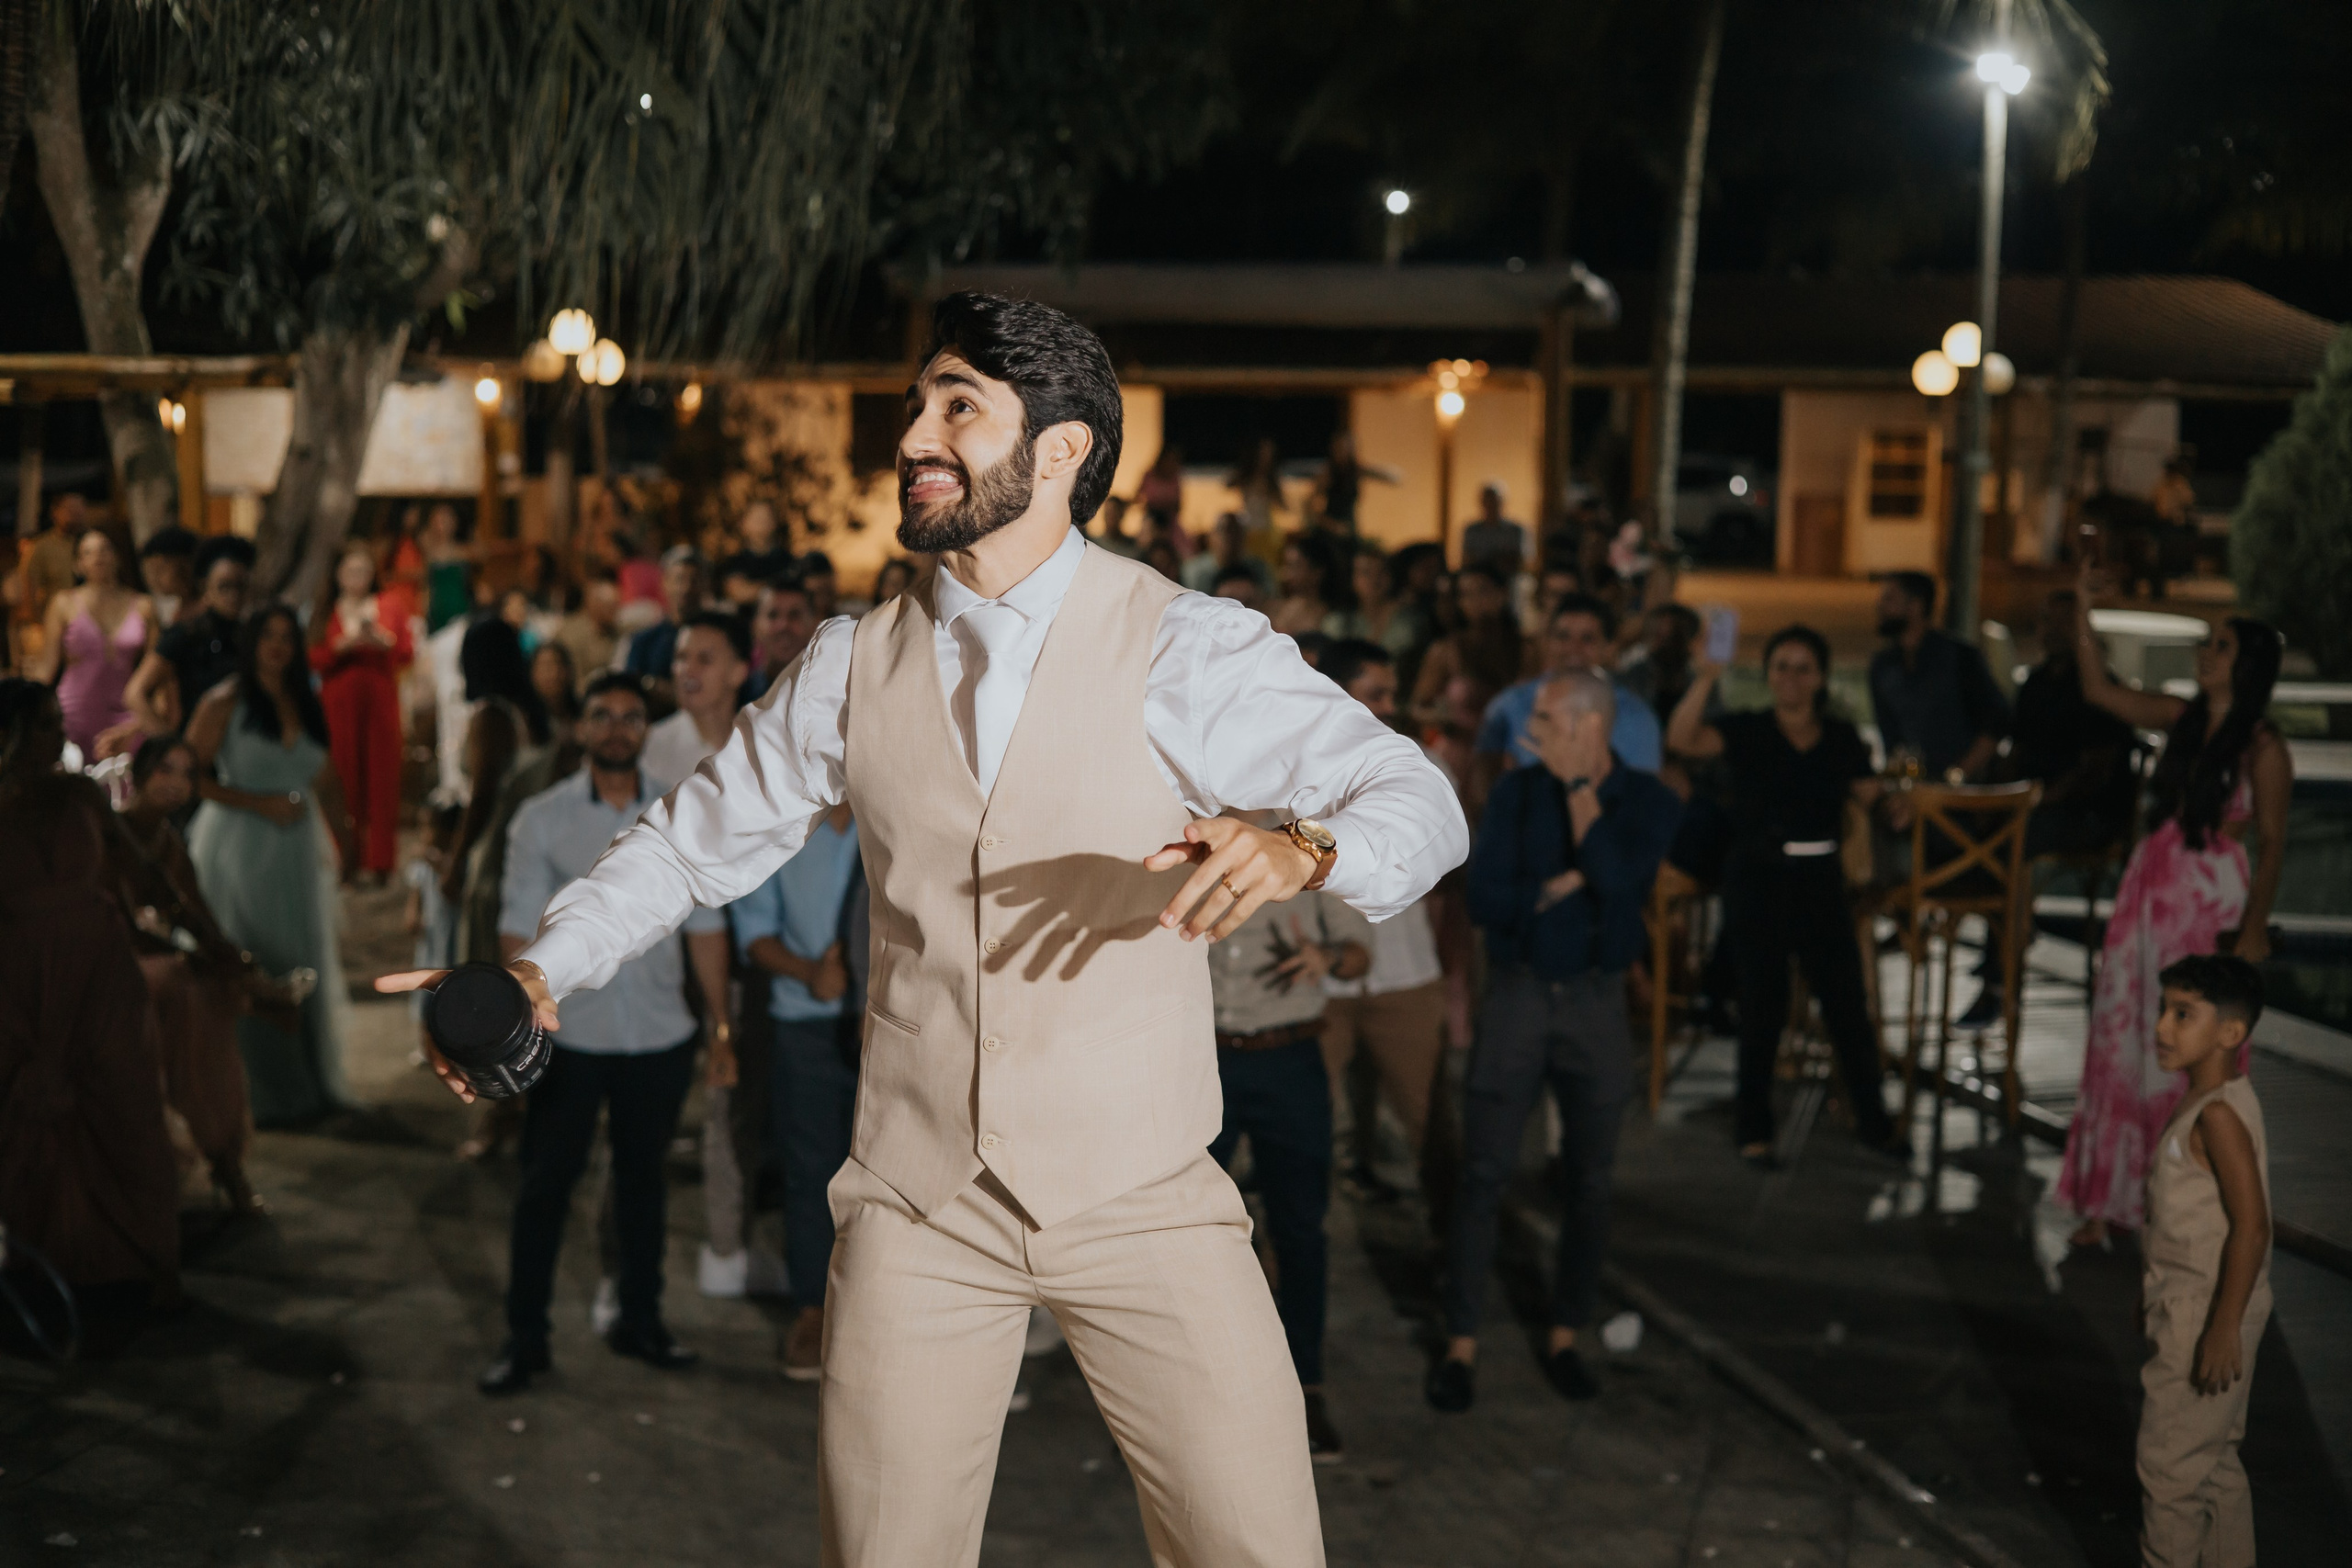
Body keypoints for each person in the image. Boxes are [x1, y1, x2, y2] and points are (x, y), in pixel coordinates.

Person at [380, 289, 1465, 1563]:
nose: (914, 435)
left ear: (1062, 449)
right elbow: (687, 841)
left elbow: (1421, 799)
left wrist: (1305, 844)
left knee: (1257, 1542)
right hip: (916, 1197)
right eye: (916, 405)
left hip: (1143, 1191)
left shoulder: (1187, 645)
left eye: (960, 406)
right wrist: (541, 962)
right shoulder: (849, 661)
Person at [469, 671, 734, 1393]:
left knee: (644, 1186)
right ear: (581, 728)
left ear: (645, 728)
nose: (617, 728)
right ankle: (525, 1337)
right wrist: (506, 1031)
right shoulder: (543, 818)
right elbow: (517, 927)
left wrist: (719, 1026)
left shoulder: (677, 810)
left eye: (629, 716)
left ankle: (641, 1319)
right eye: (602, 716)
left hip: (658, 1034)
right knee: (545, 1185)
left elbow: (707, 926)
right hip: (571, 1036)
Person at [1430, 671, 1679, 1414]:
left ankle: (1567, 1331)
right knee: (1483, 1172)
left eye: (1544, 719)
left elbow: (1616, 879)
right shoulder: (1513, 795)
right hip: (1519, 996)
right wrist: (1554, 888)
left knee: (1592, 1181)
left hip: (1596, 1006)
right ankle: (1460, 1341)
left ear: (1591, 726)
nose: (1527, 731)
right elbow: (1484, 898)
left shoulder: (1647, 800)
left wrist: (1580, 804)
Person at [2057, 572, 2289, 1248]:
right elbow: (2101, 691)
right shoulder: (2182, 718)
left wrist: (2251, 929)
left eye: (2220, 645)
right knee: (2122, 1037)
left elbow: (2274, 842)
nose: (2207, 651)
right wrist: (2084, 611)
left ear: (2245, 666)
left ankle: (2184, 1210)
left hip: (2207, 892)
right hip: (2151, 883)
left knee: (2190, 1048)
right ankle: (2105, 1202)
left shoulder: (2265, 746)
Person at [1667, 626, 1904, 1163]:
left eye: (1802, 668)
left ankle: (1874, 1119)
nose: (1790, 679)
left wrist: (1894, 805)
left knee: (1846, 1004)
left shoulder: (1841, 738)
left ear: (1820, 677)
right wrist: (1706, 676)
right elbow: (1683, 739)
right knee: (1761, 1004)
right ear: (1768, 674)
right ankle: (1755, 1126)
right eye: (1780, 666)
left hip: (1820, 877)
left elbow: (1873, 797)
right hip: (1759, 876)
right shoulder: (1749, 729)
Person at [0, 679, 181, 1299]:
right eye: (46, 723)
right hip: (21, 980)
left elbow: (143, 869)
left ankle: (142, 1256)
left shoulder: (79, 790)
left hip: (99, 971)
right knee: (33, 1110)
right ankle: (50, 1259)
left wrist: (205, 938)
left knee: (125, 1103)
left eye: (58, 720)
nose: (59, 734)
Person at [1205, 840, 1372, 1463]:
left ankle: (1305, 1389)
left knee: (1300, 1228)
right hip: (1202, 1057)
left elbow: (1358, 955)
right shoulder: (1180, 827)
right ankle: (1186, 1399)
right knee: (1178, 1231)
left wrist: (1325, 955)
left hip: (1288, 1055)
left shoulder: (1301, 843)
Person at [186, 604, 357, 1125]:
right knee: (255, 957)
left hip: (296, 849)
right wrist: (259, 803)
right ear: (251, 643)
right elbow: (189, 775)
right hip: (238, 843)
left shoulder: (304, 699)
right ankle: (257, 1093)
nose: (278, 646)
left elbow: (325, 777)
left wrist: (346, 838)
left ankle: (305, 1085)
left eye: (287, 637)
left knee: (300, 962)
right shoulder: (225, 701)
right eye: (268, 636)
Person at [2135, 954, 2273, 1568]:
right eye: (2164, 1008)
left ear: (2230, 1033)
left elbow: (2253, 1226)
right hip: (2203, 1304)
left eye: (2183, 1013)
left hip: (2206, 1312)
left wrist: (2220, 1326)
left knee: (2169, 1471)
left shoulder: (2217, 1115)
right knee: (2214, 1464)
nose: (2163, 1026)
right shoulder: (2218, 1100)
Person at [1957, 589, 2139, 1030]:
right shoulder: (2035, 684)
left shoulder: (2101, 691)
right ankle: (2006, 933)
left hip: (2084, 815)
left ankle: (2000, 974)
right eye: (2045, 621)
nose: (2050, 631)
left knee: (2016, 842)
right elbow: (2016, 749)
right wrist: (1992, 794)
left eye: (2062, 623)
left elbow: (2095, 773)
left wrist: (2035, 799)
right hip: (2031, 806)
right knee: (1971, 829)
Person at [729, 796, 864, 1377]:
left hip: (891, 1021)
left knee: (891, 1171)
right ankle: (812, 1311)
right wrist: (812, 973)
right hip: (804, 1019)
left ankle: (878, 1315)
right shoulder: (785, 829)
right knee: (812, 1170)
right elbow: (754, 932)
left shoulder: (895, 816)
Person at [1316, 640, 1452, 1211]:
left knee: (1431, 1122)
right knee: (1312, 1125)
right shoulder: (1287, 769)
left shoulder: (1417, 767)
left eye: (1393, 692)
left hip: (1403, 973)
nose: (1392, 705)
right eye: (1377, 693)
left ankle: (1456, 1251)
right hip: (1317, 980)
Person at [116, 733, 273, 1214]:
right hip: (109, 967)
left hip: (149, 963)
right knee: (189, 989)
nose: (176, 784)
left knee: (208, 996)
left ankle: (226, 1161)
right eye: (165, 770)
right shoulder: (111, 832)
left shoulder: (168, 842)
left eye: (187, 773)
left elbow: (198, 914)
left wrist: (231, 960)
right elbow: (119, 924)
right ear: (139, 776)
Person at [1475, 595, 1664, 793]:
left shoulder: (1638, 717)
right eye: (1563, 637)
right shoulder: (1509, 705)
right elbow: (1484, 789)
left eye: (1588, 638)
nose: (1573, 648)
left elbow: (1643, 797)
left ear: (1610, 648)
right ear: (1547, 642)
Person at [310, 543, 412, 883]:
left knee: (382, 777)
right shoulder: (326, 611)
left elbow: (406, 650)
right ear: (337, 575)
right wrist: (341, 647)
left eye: (364, 571)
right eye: (351, 571)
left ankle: (380, 861)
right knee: (343, 777)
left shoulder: (388, 605)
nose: (357, 578)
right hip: (339, 702)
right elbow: (312, 656)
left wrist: (384, 642)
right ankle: (344, 859)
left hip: (380, 698)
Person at [1868, 571, 2007, 781]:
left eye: (1890, 598)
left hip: (1965, 792)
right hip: (1913, 791)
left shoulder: (1959, 657)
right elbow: (1891, 738)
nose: (1880, 606)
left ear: (1915, 605)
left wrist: (1959, 775)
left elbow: (1996, 722)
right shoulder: (1882, 666)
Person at [34, 526, 160, 761]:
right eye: (88, 553)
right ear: (77, 564)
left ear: (118, 557)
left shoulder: (144, 606)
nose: (98, 557)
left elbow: (159, 672)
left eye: (104, 549)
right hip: (75, 713)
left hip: (127, 716)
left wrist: (143, 721)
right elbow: (46, 668)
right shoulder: (63, 603)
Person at [137, 536, 254, 734]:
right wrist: (170, 746)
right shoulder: (186, 633)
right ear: (205, 586)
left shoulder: (253, 634)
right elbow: (135, 693)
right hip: (198, 745)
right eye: (224, 586)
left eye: (239, 586)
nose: (233, 595)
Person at [1408, 564, 1525, 728]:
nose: (1475, 601)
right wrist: (1445, 718)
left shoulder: (1525, 648)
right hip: (1460, 745)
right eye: (1466, 595)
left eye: (1483, 591)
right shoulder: (1446, 650)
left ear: (1502, 594)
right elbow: (1418, 707)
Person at [618, 545, 708, 707]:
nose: (687, 588)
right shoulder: (644, 641)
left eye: (694, 580)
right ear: (664, 583)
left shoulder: (717, 640)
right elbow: (629, 690)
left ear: (705, 586)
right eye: (679, 579)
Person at [1323, 543, 1427, 663]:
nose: (1374, 579)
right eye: (1365, 572)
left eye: (1382, 571)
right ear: (1351, 579)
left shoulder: (1410, 620)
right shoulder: (1337, 622)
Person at [747, 575, 817, 694]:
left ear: (813, 626)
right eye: (773, 615)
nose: (783, 625)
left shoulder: (834, 697)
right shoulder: (736, 698)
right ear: (755, 627)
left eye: (794, 615)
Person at [1180, 511, 1275, 598]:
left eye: (1236, 532)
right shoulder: (1194, 571)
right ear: (1211, 537)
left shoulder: (1258, 567)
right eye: (1224, 531)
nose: (1231, 538)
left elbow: (1271, 599)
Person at [552, 568, 623, 682]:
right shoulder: (571, 634)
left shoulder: (617, 631)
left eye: (616, 606)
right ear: (593, 604)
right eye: (609, 606)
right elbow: (573, 681)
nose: (615, 612)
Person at [1270, 534, 1345, 637]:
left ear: (1317, 572)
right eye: (1286, 565)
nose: (1287, 574)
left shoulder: (1332, 617)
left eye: (1295, 567)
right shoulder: (1277, 608)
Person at [719, 502, 795, 604]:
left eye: (766, 517)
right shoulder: (735, 563)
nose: (761, 522)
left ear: (775, 522)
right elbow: (738, 594)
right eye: (756, 518)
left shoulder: (788, 561)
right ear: (743, 524)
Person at [420, 502, 474, 635]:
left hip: (459, 607)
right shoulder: (426, 549)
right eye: (440, 520)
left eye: (448, 520)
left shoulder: (464, 550)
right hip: (436, 609)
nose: (444, 525)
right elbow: (424, 583)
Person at [1459, 482, 1531, 576]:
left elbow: (1522, 561)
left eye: (1494, 501)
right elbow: (1467, 559)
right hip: (1479, 576)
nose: (1490, 505)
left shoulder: (1516, 530)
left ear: (1502, 503)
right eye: (1487, 501)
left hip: (1509, 577)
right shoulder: (1472, 530)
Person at [137, 526, 200, 628]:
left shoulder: (204, 611)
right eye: (150, 572)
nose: (153, 579)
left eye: (159, 570)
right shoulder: (179, 608)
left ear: (185, 566)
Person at [530, 640, 581, 730]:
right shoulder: (525, 719)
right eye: (547, 667)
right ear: (533, 673)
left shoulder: (583, 713)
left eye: (560, 665)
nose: (555, 674)